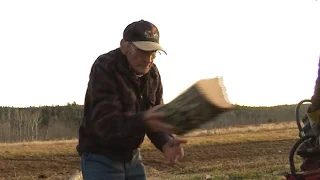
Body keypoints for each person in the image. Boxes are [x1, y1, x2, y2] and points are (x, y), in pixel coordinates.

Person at [76, 19, 188, 180]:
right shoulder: (105, 67)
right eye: (142, 51)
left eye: (153, 53)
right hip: (100, 157)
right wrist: (145, 119)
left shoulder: (152, 74)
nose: (148, 59)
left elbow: (156, 116)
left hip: (132, 157)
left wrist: (166, 142)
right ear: (124, 46)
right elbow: (105, 124)